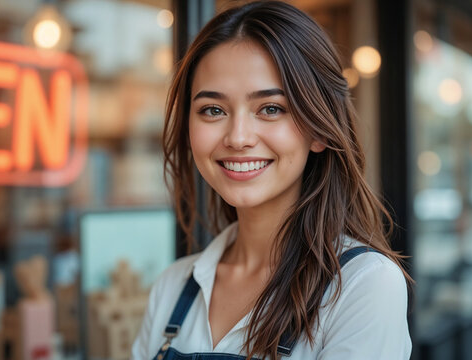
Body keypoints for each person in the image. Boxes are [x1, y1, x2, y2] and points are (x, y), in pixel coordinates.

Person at [131, 1, 412, 359]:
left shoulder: (364, 285)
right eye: (213, 110)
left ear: (318, 130)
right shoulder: (173, 287)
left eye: (271, 109)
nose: (238, 137)